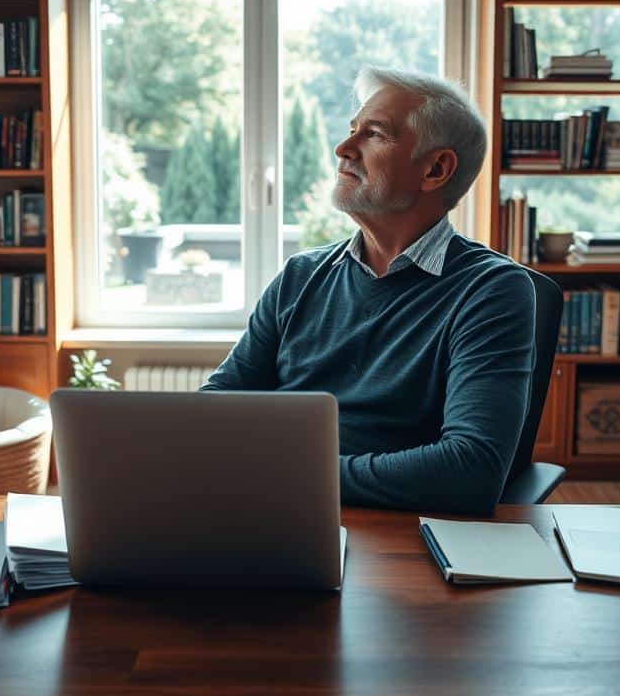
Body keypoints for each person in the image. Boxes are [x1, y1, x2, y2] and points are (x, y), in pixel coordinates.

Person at [202, 67, 536, 515]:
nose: (342, 149)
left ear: (436, 169)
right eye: (351, 129)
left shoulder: (491, 290)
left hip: (394, 530)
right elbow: (215, 410)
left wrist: (294, 476)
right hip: (273, 512)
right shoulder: (300, 275)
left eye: (374, 134)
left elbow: (471, 470)